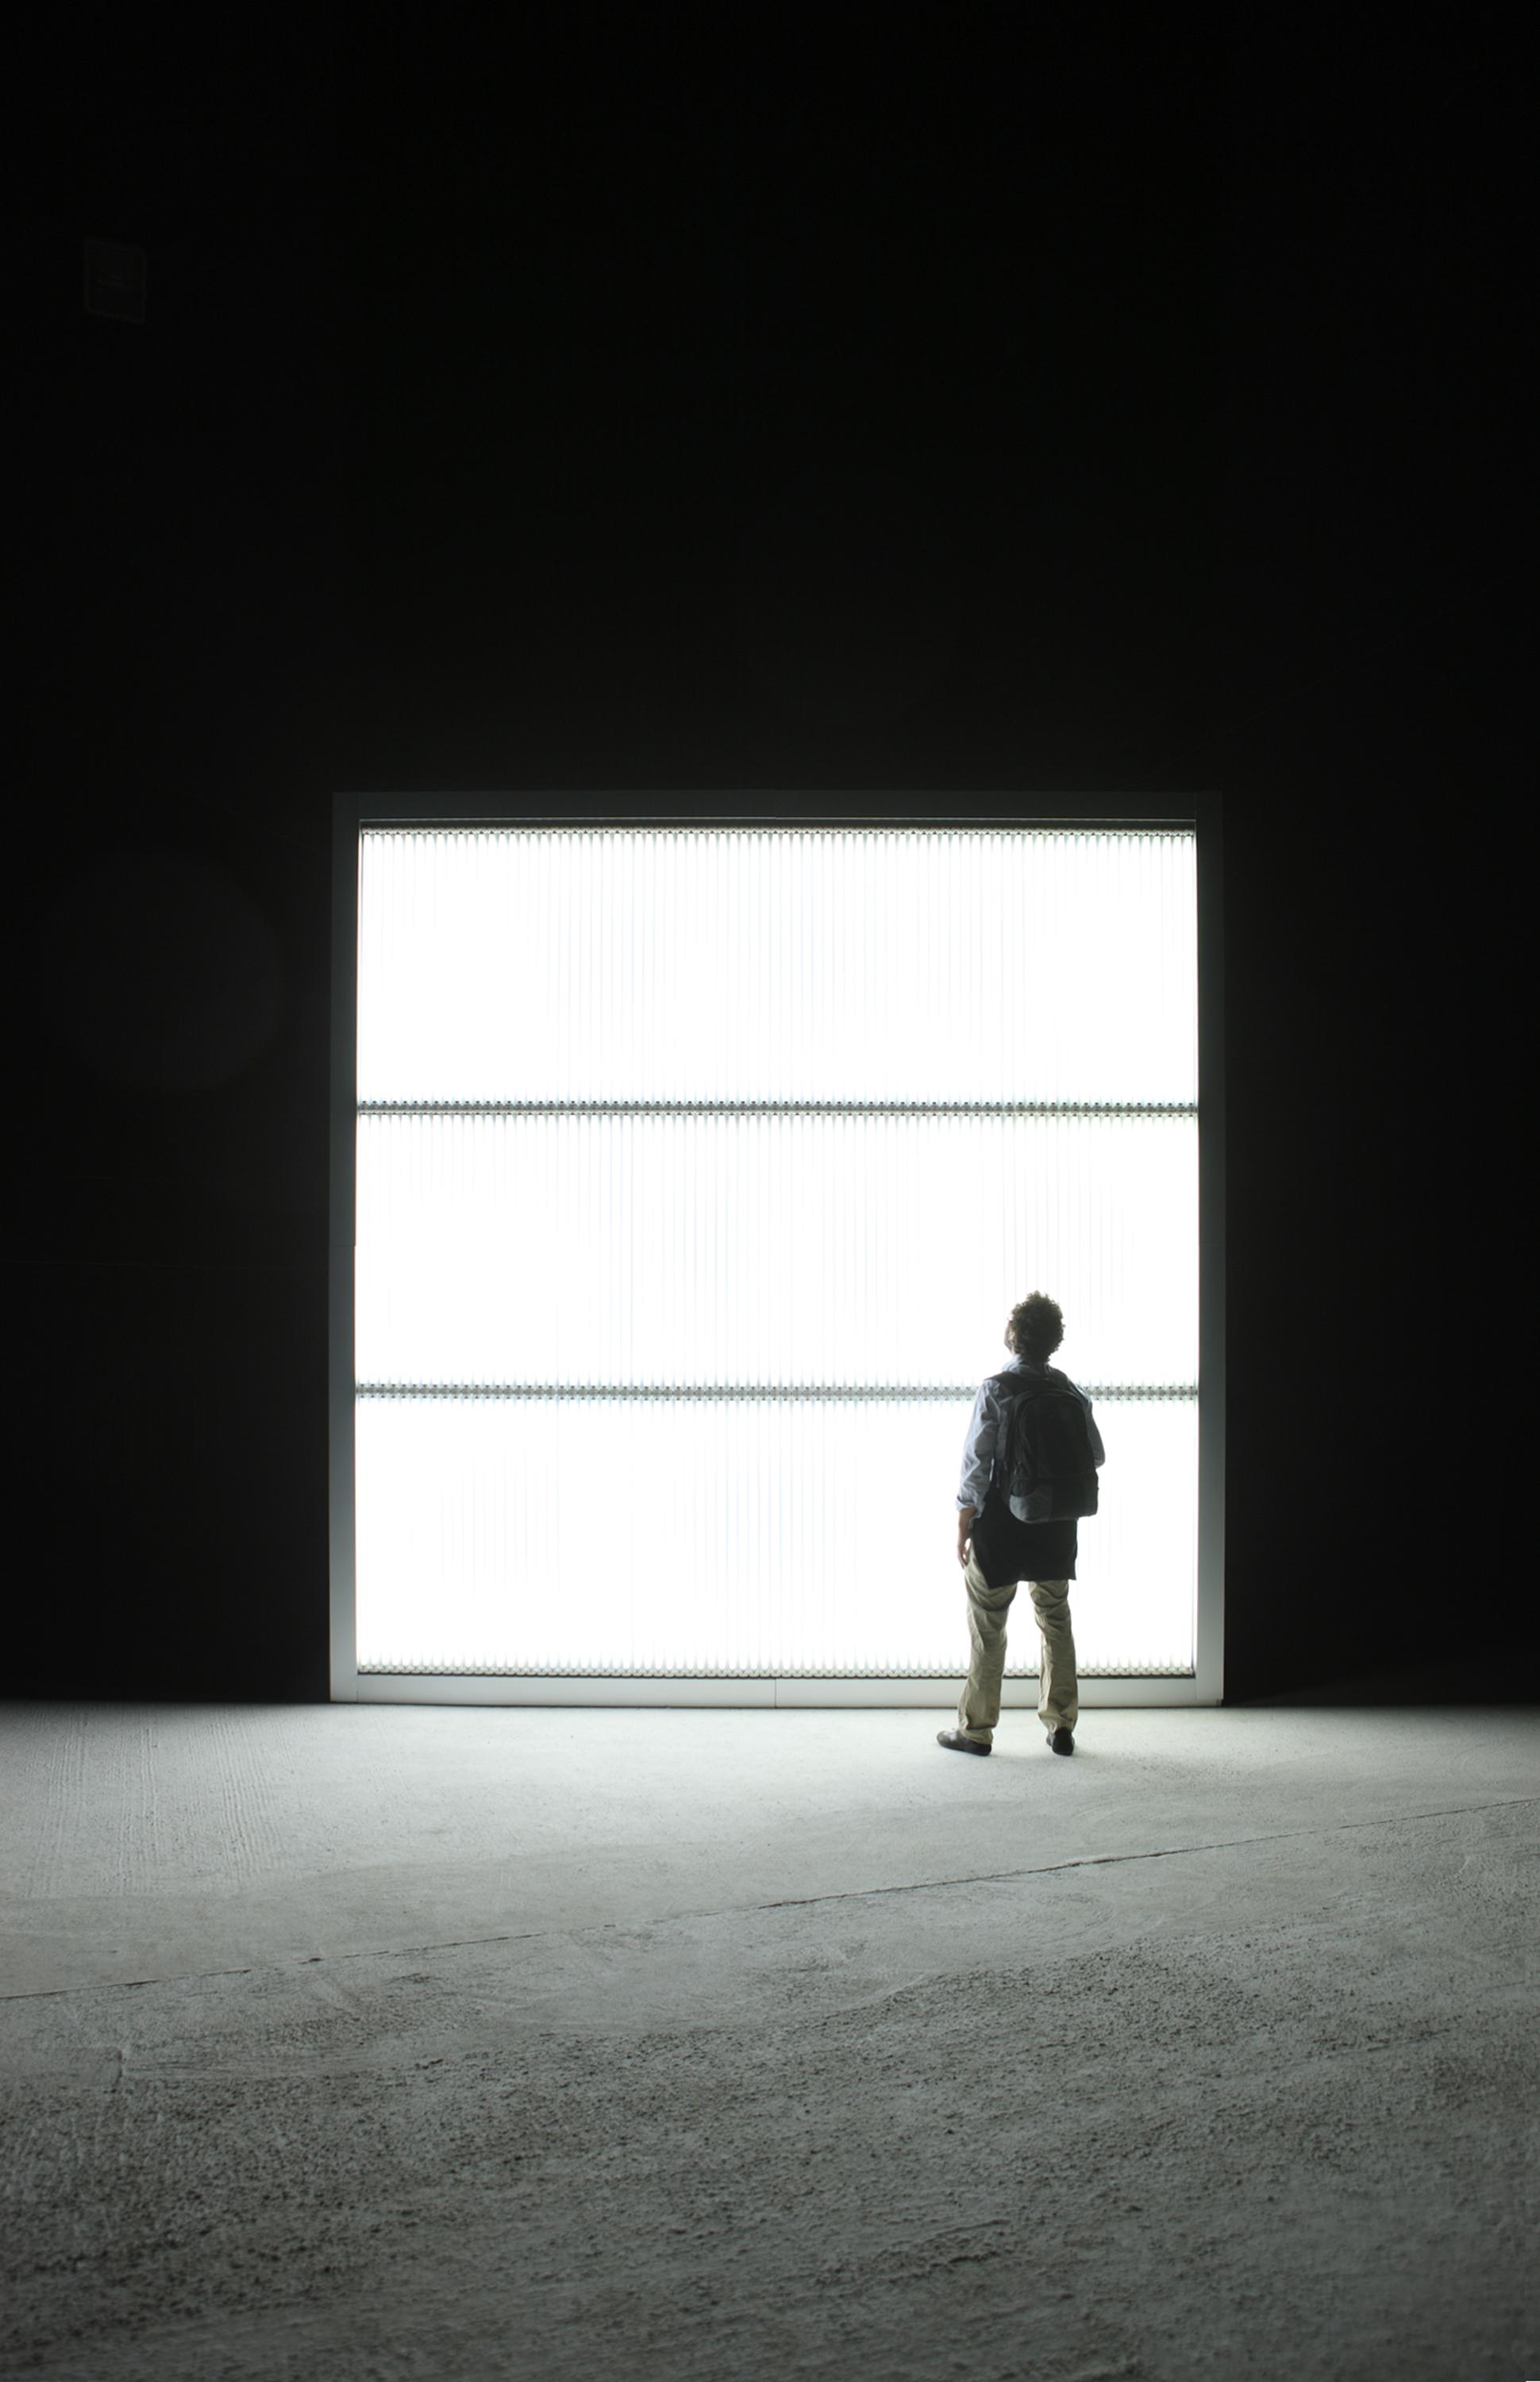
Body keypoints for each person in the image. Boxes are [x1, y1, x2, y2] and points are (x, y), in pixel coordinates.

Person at [937, 1292, 1105, 1760]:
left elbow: (977, 1463)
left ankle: (977, 1730)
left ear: (1014, 1336)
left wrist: (963, 1521)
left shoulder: (997, 1389)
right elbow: (1096, 1456)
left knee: (989, 1622)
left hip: (1003, 1526)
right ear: (1054, 1341)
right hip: (1055, 1524)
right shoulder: (1071, 1391)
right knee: (1055, 1618)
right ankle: (1061, 1725)